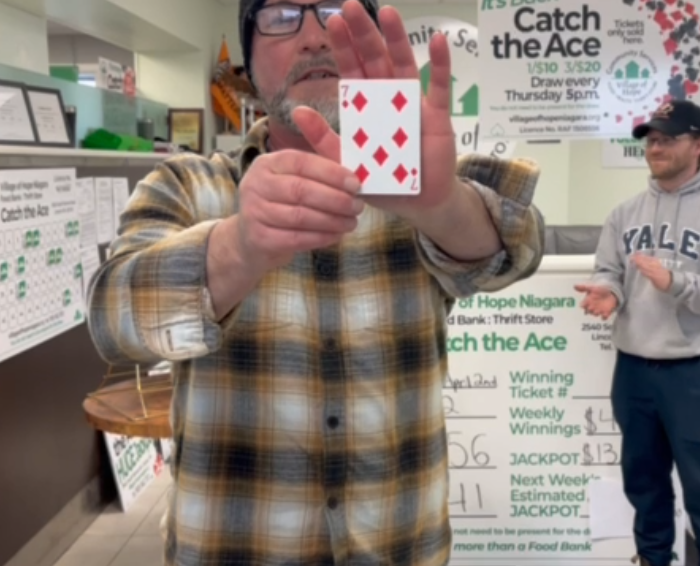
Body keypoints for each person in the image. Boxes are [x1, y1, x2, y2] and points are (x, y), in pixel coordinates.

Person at [85, 0, 545, 564]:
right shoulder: (188, 185)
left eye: (333, 10)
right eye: (281, 15)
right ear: (249, 60)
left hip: (401, 548)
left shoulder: (423, 181)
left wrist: (444, 206)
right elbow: (113, 324)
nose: (314, 36)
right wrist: (237, 246)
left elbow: (518, 251)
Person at [574, 100, 700, 566]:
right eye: (651, 140)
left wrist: (677, 282)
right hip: (634, 370)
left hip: (695, 372)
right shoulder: (624, 213)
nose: (655, 148)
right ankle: (652, 558)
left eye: (667, 139)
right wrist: (609, 292)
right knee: (643, 480)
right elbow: (609, 269)